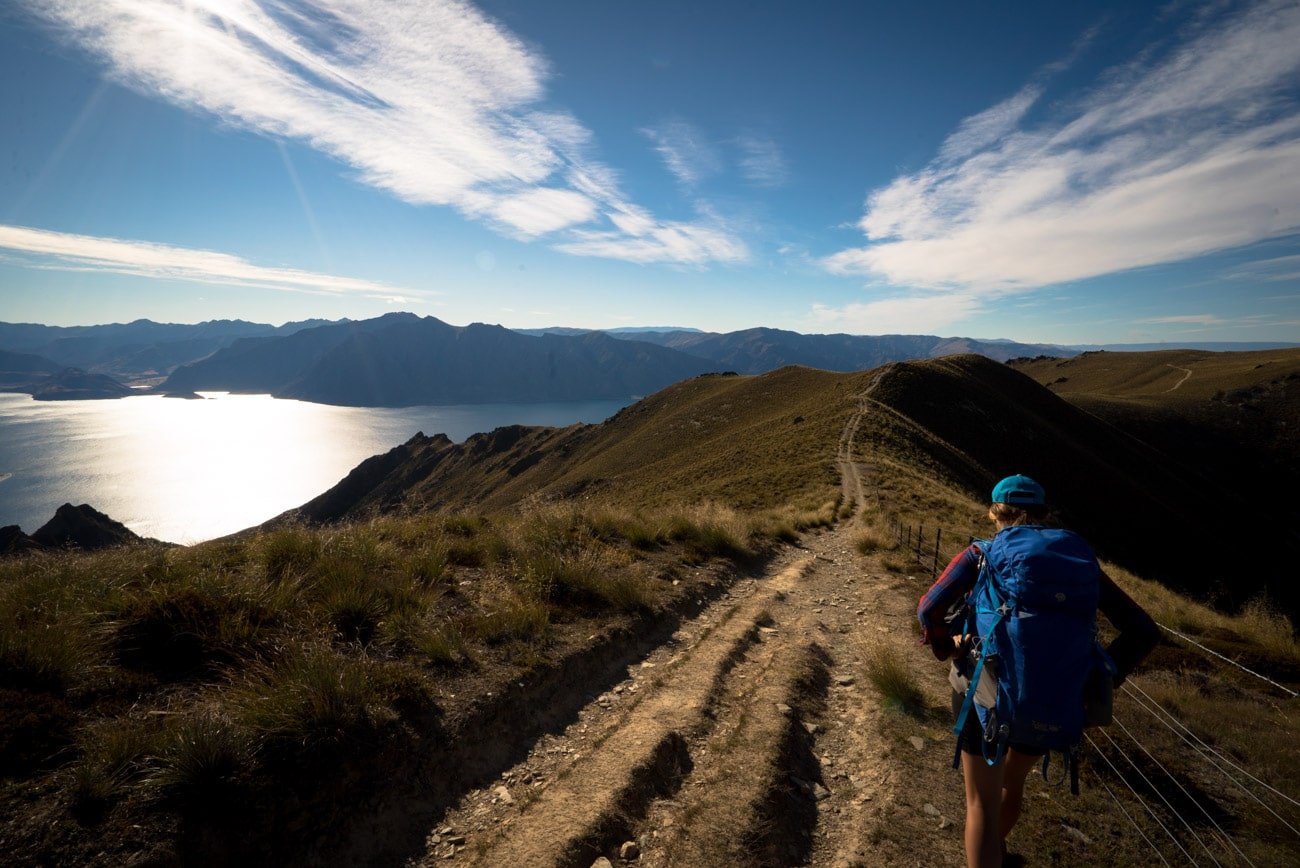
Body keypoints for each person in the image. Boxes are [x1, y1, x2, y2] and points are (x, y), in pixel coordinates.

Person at [917, 474, 1159, 868]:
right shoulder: (1077, 560)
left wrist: (946, 648)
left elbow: (929, 607)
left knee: (980, 802)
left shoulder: (982, 553)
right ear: (1044, 513)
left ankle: (988, 854)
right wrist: (1095, 680)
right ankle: (996, 849)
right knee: (1013, 785)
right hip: (1051, 697)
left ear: (996, 512)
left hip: (985, 692)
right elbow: (1143, 631)